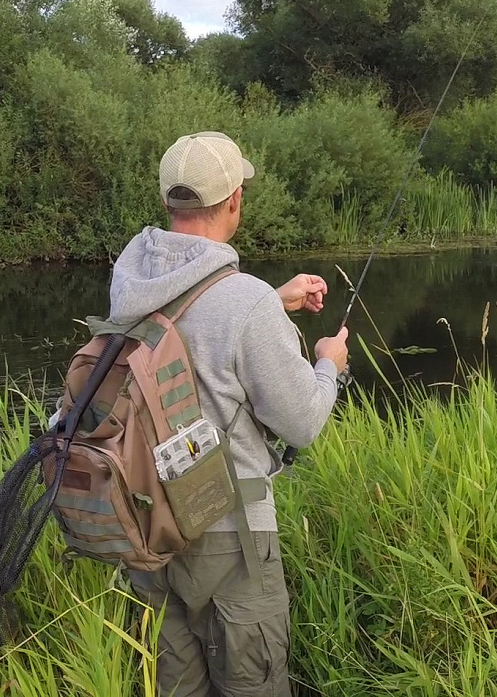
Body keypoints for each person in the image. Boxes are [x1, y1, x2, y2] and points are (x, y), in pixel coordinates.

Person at [108, 131, 349, 696]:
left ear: (169, 201)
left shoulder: (130, 282)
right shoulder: (245, 302)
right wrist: (328, 364)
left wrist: (270, 298)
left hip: (147, 528)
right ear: (235, 199)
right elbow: (303, 421)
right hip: (229, 537)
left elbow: (188, 328)